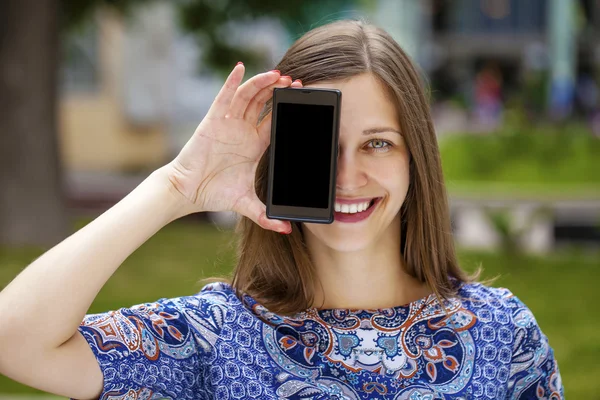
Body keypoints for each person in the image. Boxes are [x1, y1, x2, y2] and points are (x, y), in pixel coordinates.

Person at [0, 20, 563, 400]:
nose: (347, 176)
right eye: (324, 145)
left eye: (378, 143)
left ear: (417, 159)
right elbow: (15, 338)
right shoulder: (216, 335)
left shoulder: (501, 333)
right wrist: (176, 186)